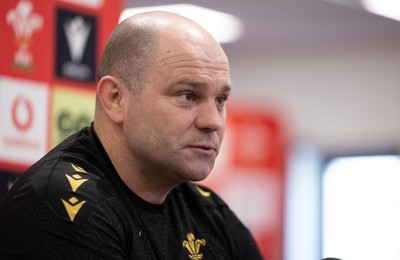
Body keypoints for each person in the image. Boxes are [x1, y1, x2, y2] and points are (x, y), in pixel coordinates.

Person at [0, 11, 263, 259]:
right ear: (115, 99)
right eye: (188, 96)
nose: (213, 121)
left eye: (220, 99)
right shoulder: (63, 205)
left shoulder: (211, 215)